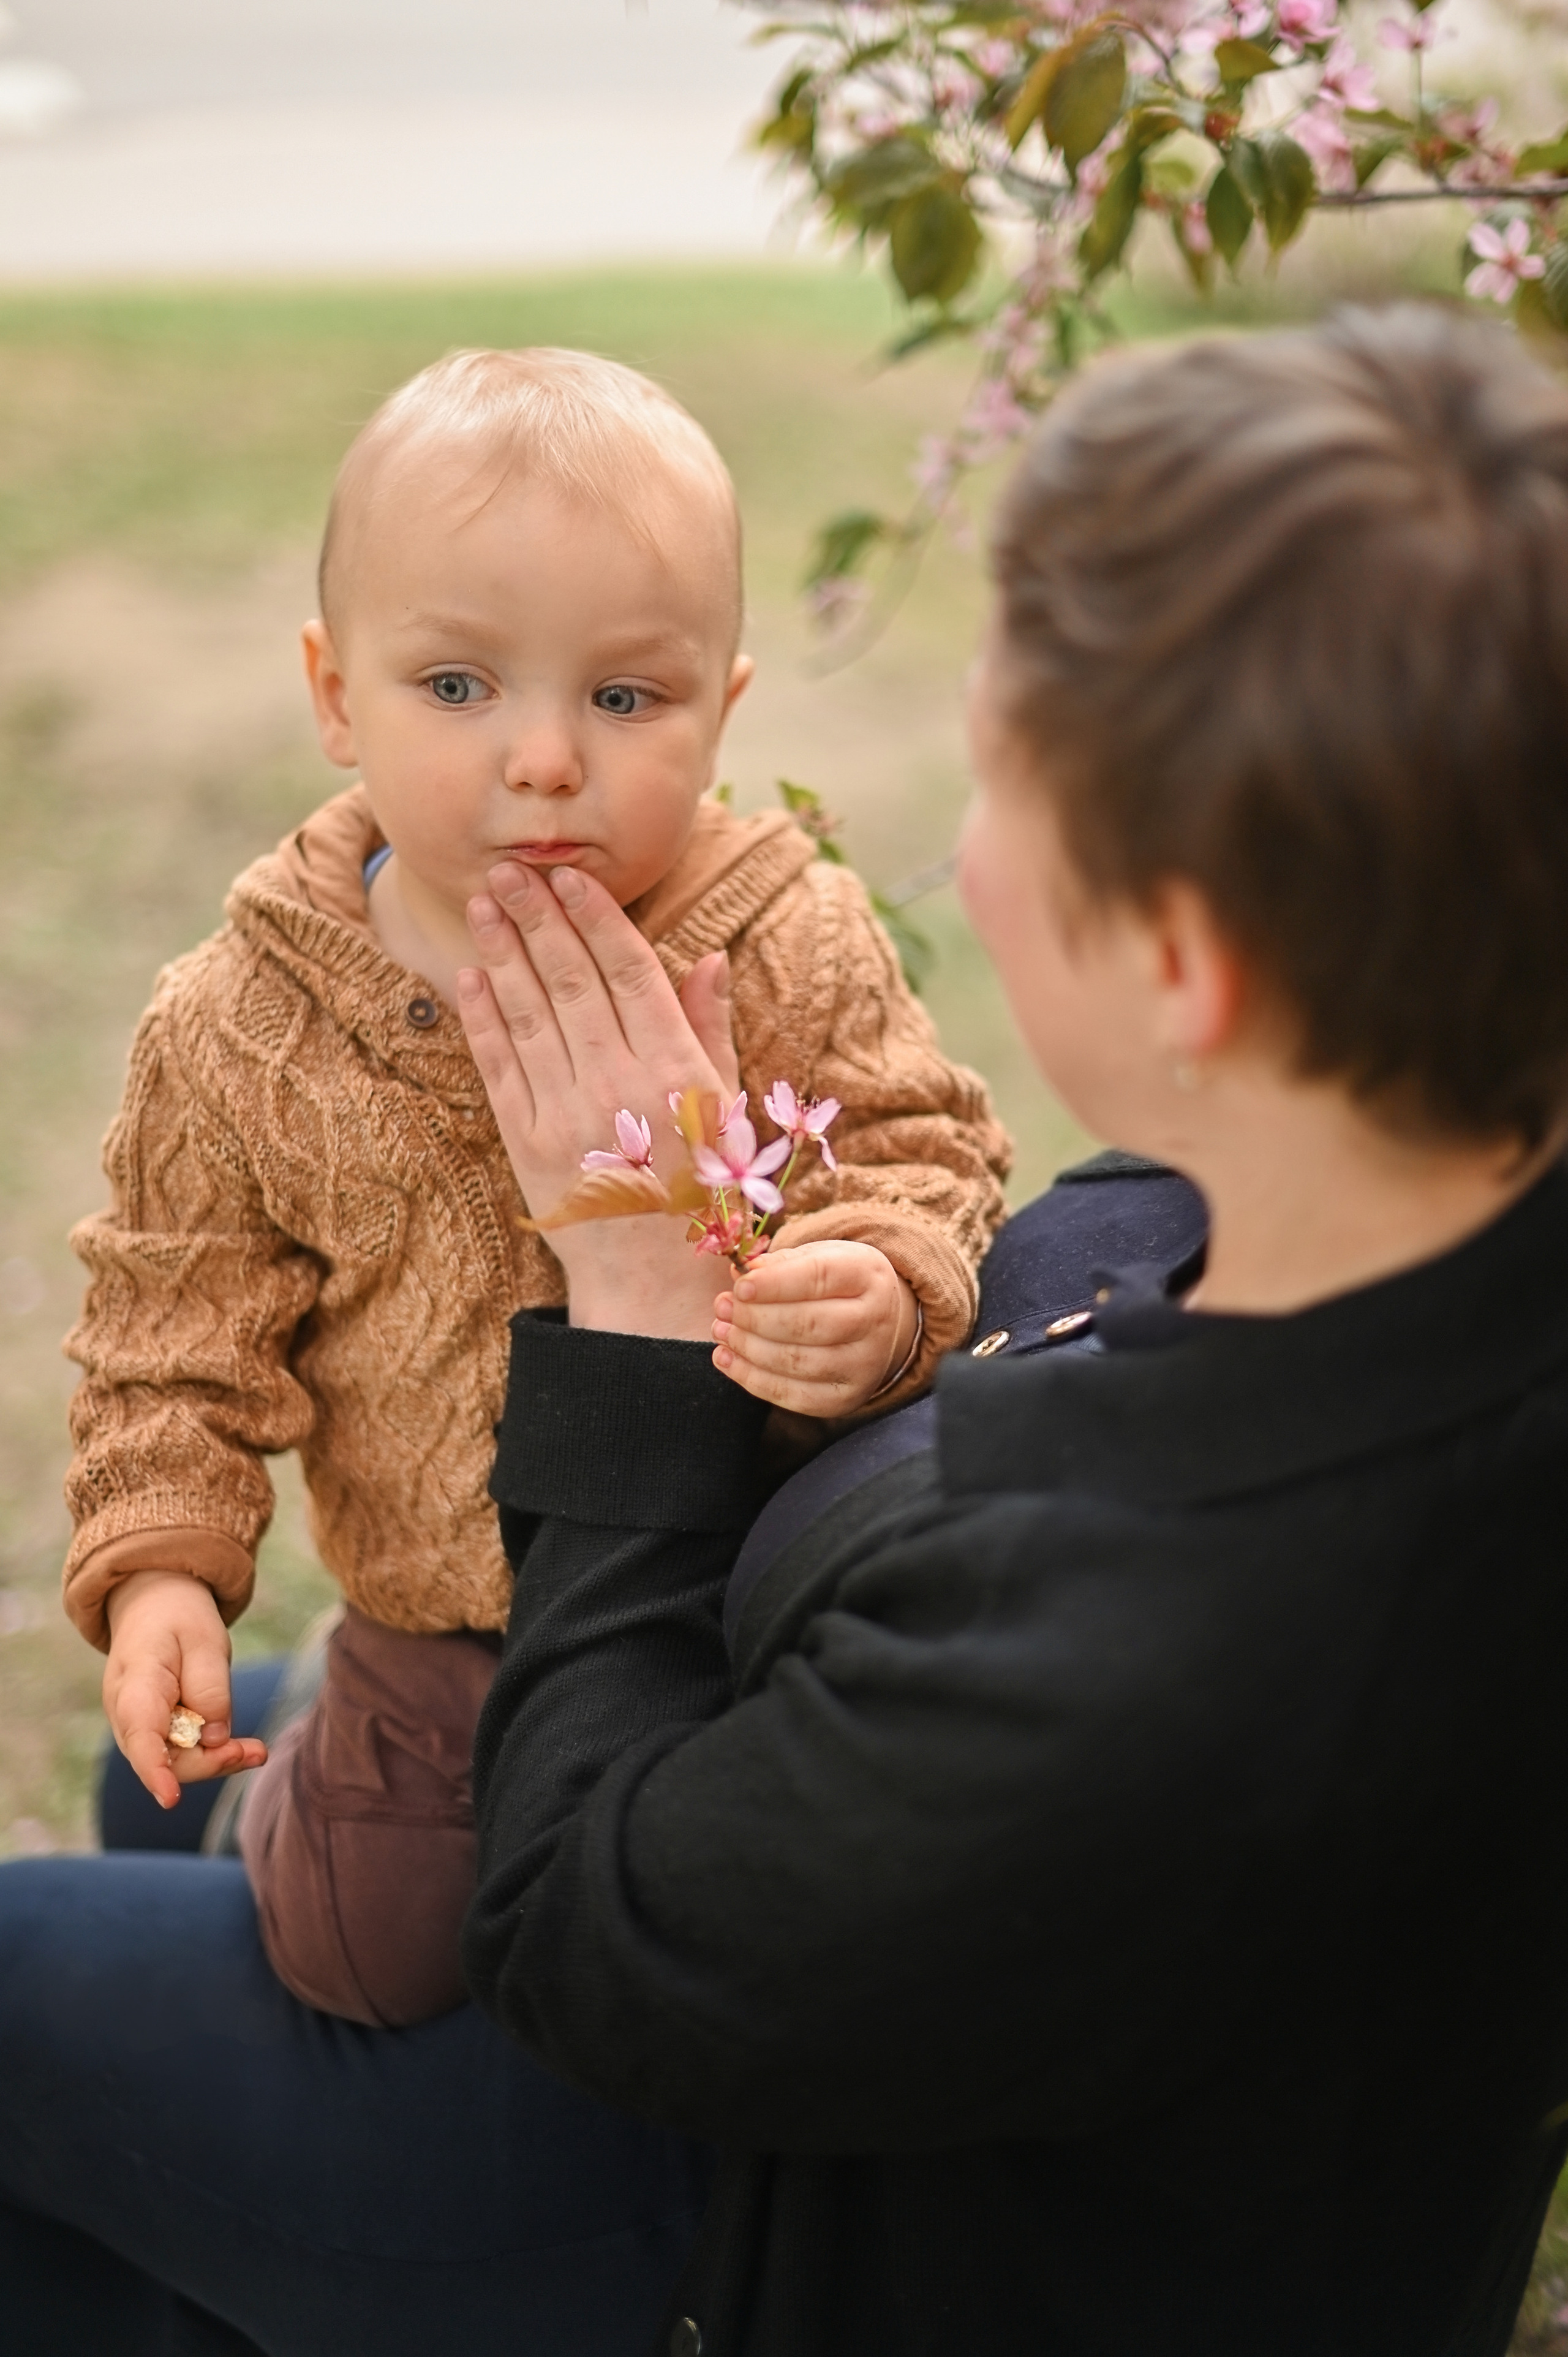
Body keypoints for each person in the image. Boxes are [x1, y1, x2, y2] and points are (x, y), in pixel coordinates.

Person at [454, 306, 1568, 2356]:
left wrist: (631, 1298)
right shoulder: (1379, 1224)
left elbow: (573, 1932)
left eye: (1004, 789)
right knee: (204, 1780)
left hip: (737, 2196)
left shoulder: (1161, 1660)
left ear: (1185, 957)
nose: (963, 853)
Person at [59, 346, 1009, 2027]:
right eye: (457, 689)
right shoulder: (243, 1024)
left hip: (730, 1572)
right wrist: (158, 1573)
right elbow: (170, 1331)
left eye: (626, 700)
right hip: (439, 1620)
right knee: (367, 1953)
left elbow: (922, 1149)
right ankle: (276, 1796)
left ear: (725, 704)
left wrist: (882, 1279)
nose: (548, 759)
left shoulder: (784, 937)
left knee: (704, 1942)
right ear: (335, 692)